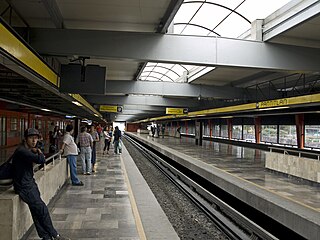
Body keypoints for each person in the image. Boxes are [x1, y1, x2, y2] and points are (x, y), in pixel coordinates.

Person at [12, 128, 70, 240]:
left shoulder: (26, 150)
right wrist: (38, 151)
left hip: (29, 183)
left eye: (36, 138)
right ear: (25, 139)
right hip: (24, 187)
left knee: (36, 211)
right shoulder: (22, 151)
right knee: (42, 209)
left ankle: (45, 236)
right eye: (31, 138)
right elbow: (41, 160)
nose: (34, 141)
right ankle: (55, 235)